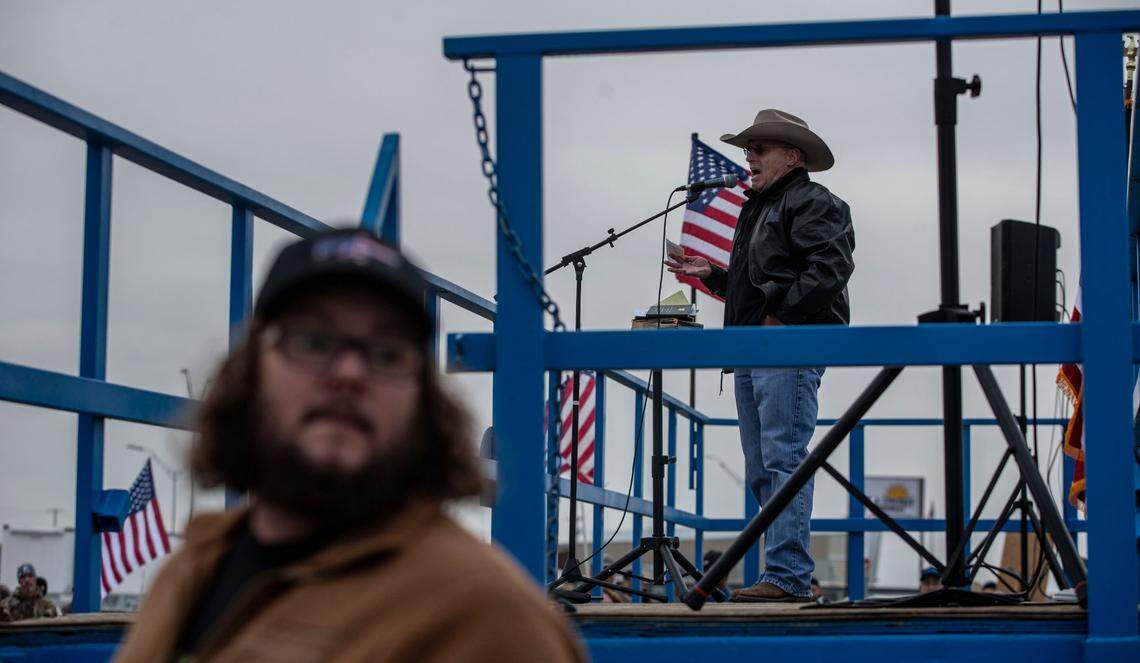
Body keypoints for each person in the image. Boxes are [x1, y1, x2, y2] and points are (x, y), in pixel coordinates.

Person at [115, 229, 584, 662]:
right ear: (251, 371)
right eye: (313, 341)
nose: (348, 374)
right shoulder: (194, 568)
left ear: (425, 401)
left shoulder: (488, 619)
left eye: (387, 353)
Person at [668, 109, 855, 602]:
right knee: (764, 464)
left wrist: (782, 318)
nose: (748, 157)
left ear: (792, 156)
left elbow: (830, 269)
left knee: (782, 458)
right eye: (747, 149)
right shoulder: (761, 207)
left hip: (786, 347)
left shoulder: (814, 201)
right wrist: (712, 275)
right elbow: (756, 288)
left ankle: (788, 577)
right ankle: (783, 573)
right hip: (756, 347)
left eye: (759, 148)